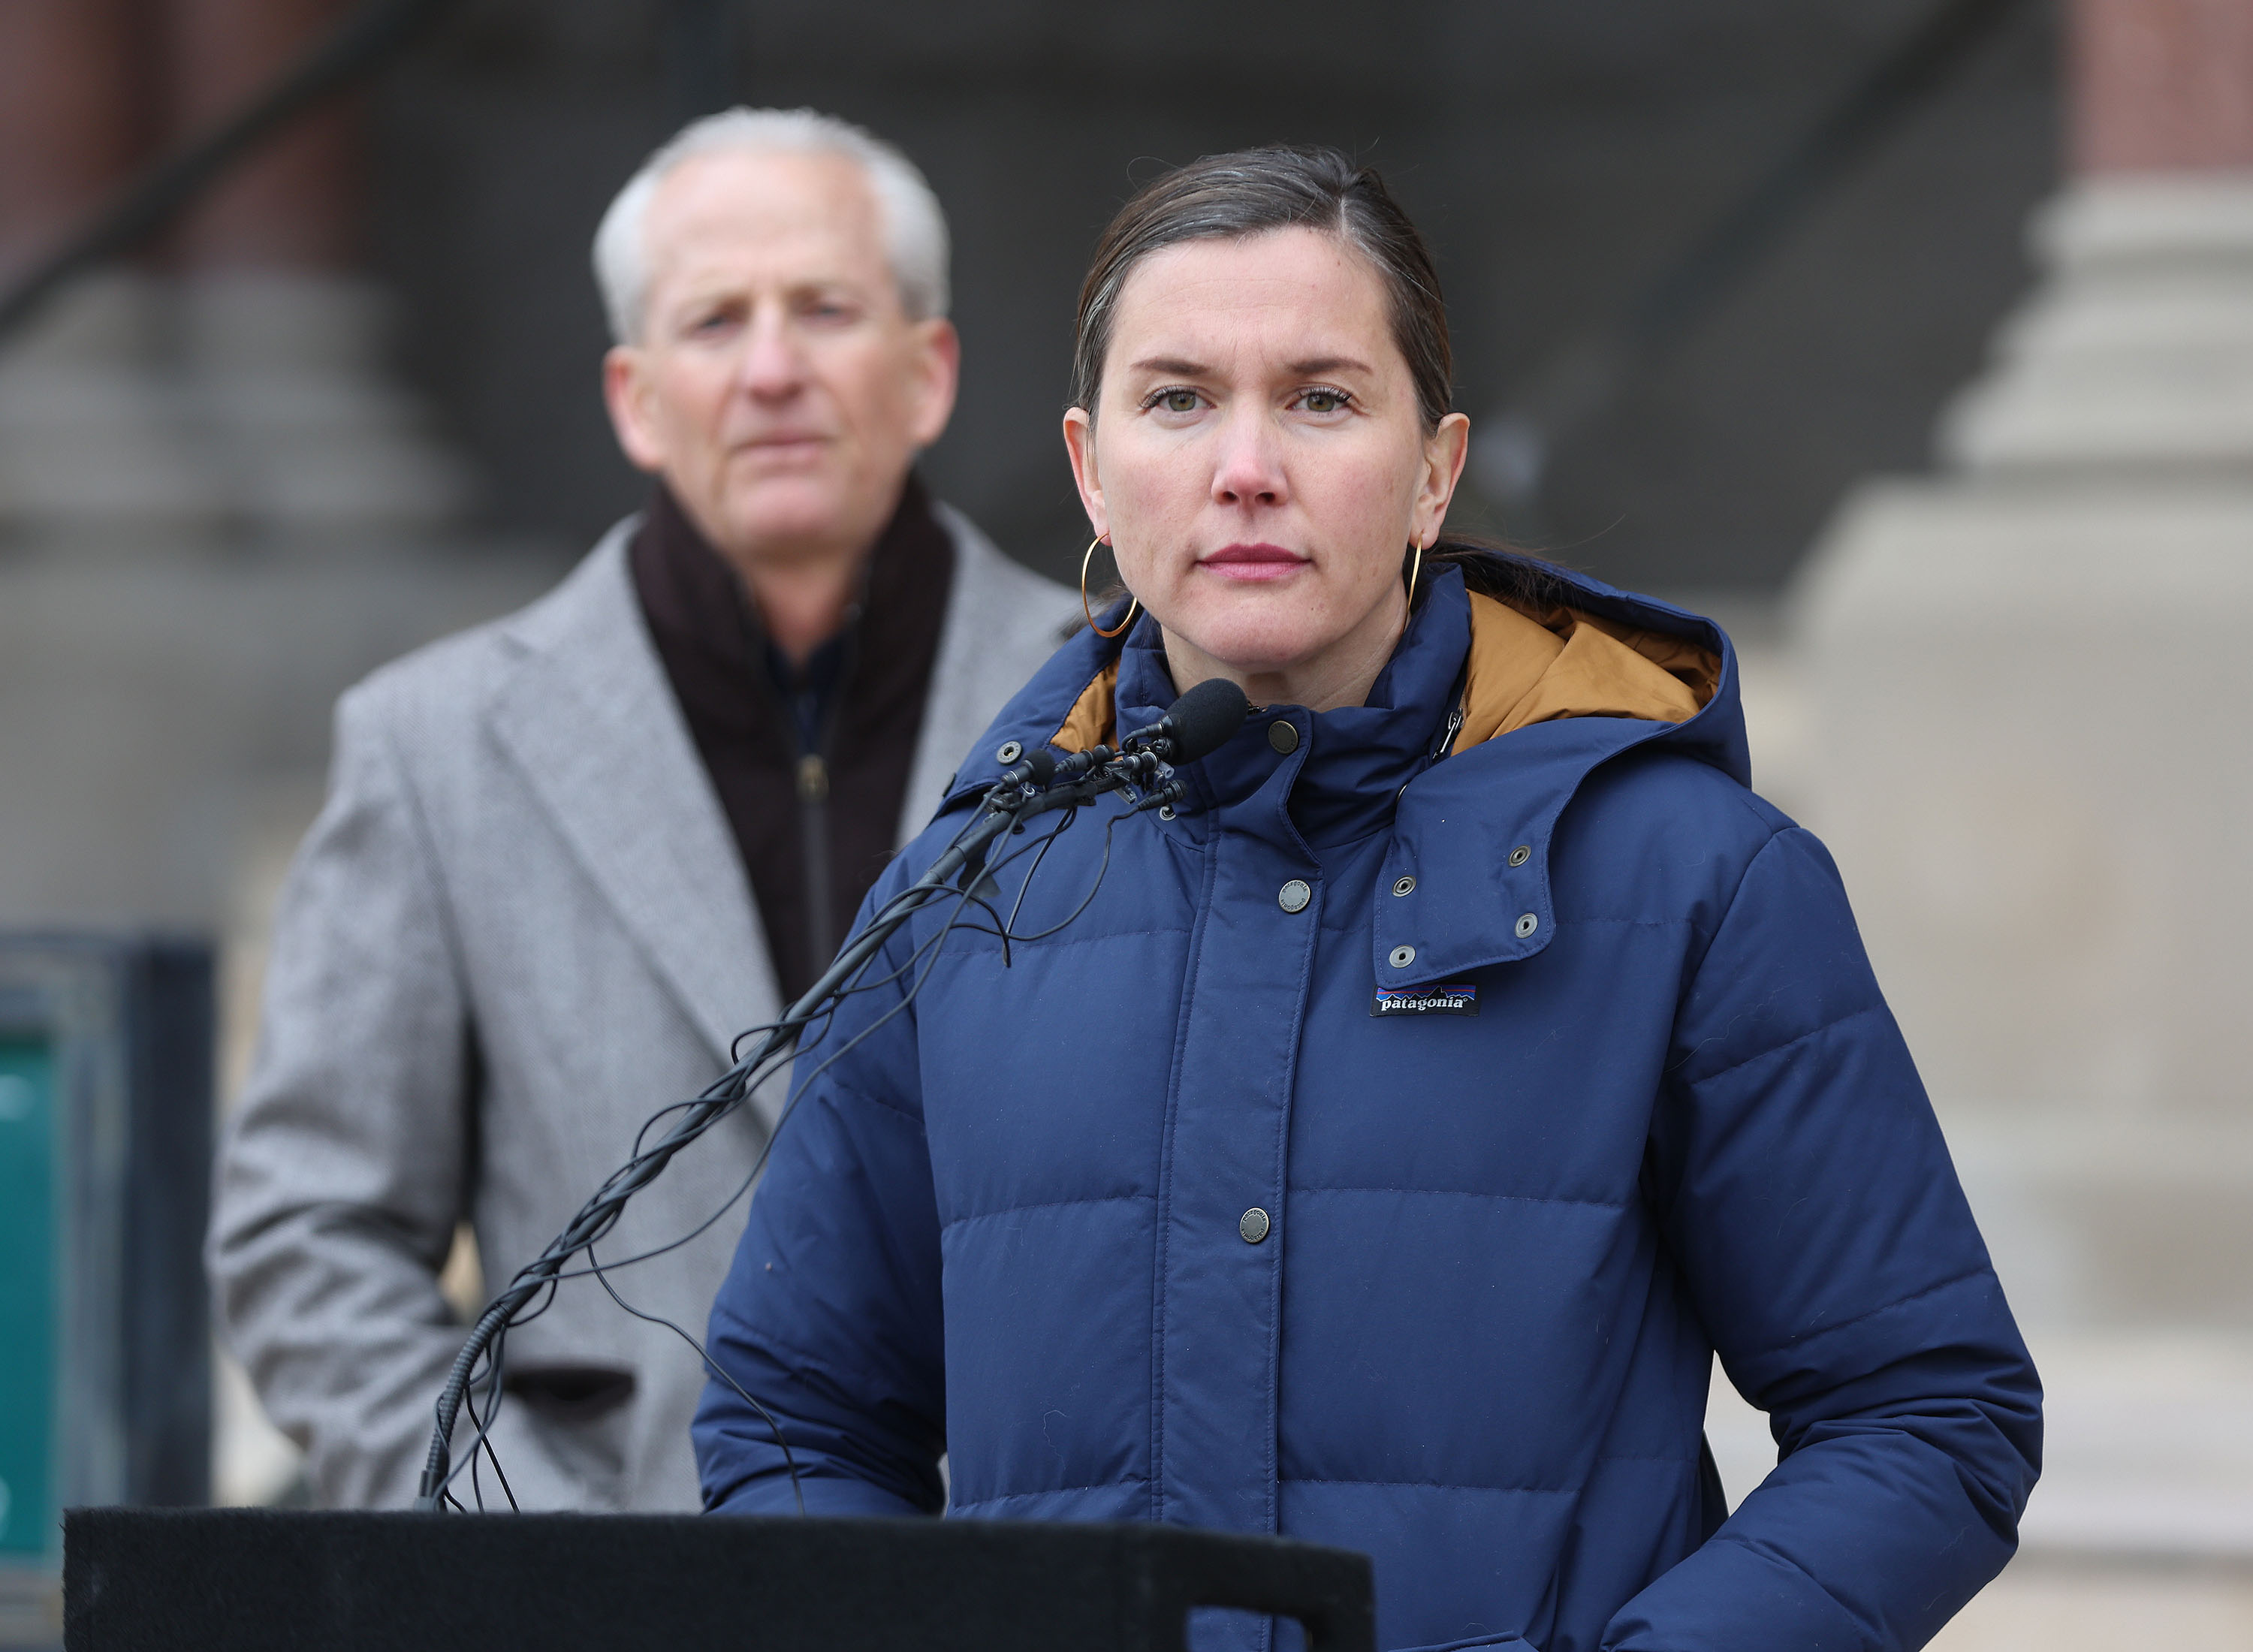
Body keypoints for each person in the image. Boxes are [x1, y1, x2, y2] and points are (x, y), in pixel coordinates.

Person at [693, 147, 2042, 1652]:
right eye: (1178, 398)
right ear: (1091, 465)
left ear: (1435, 469)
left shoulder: (1692, 881)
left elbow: (1928, 1413)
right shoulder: (960, 901)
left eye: (1322, 398)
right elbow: (794, 1423)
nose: (1245, 465)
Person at [208, 108, 1078, 1511]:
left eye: (827, 309)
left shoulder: (1116, 707)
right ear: (633, 397)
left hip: (1024, 1568)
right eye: (715, 320)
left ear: (929, 373)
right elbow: (312, 1243)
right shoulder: (437, 749)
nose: (774, 369)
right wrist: (528, 1555)